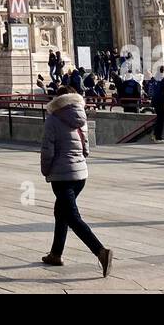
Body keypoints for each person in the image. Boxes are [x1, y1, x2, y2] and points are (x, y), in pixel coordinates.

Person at [39, 85, 113, 275]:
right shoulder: (81, 118)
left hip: (62, 176)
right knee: (61, 212)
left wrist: (46, 170)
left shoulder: (53, 119)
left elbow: (48, 150)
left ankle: (100, 251)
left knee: (72, 217)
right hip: (80, 175)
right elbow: (85, 149)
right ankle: (55, 253)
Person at [149, 68, 164, 142]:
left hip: (155, 101)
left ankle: (155, 135)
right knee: (161, 119)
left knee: (159, 118)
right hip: (161, 101)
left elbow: (150, 90)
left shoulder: (154, 79)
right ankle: (158, 137)